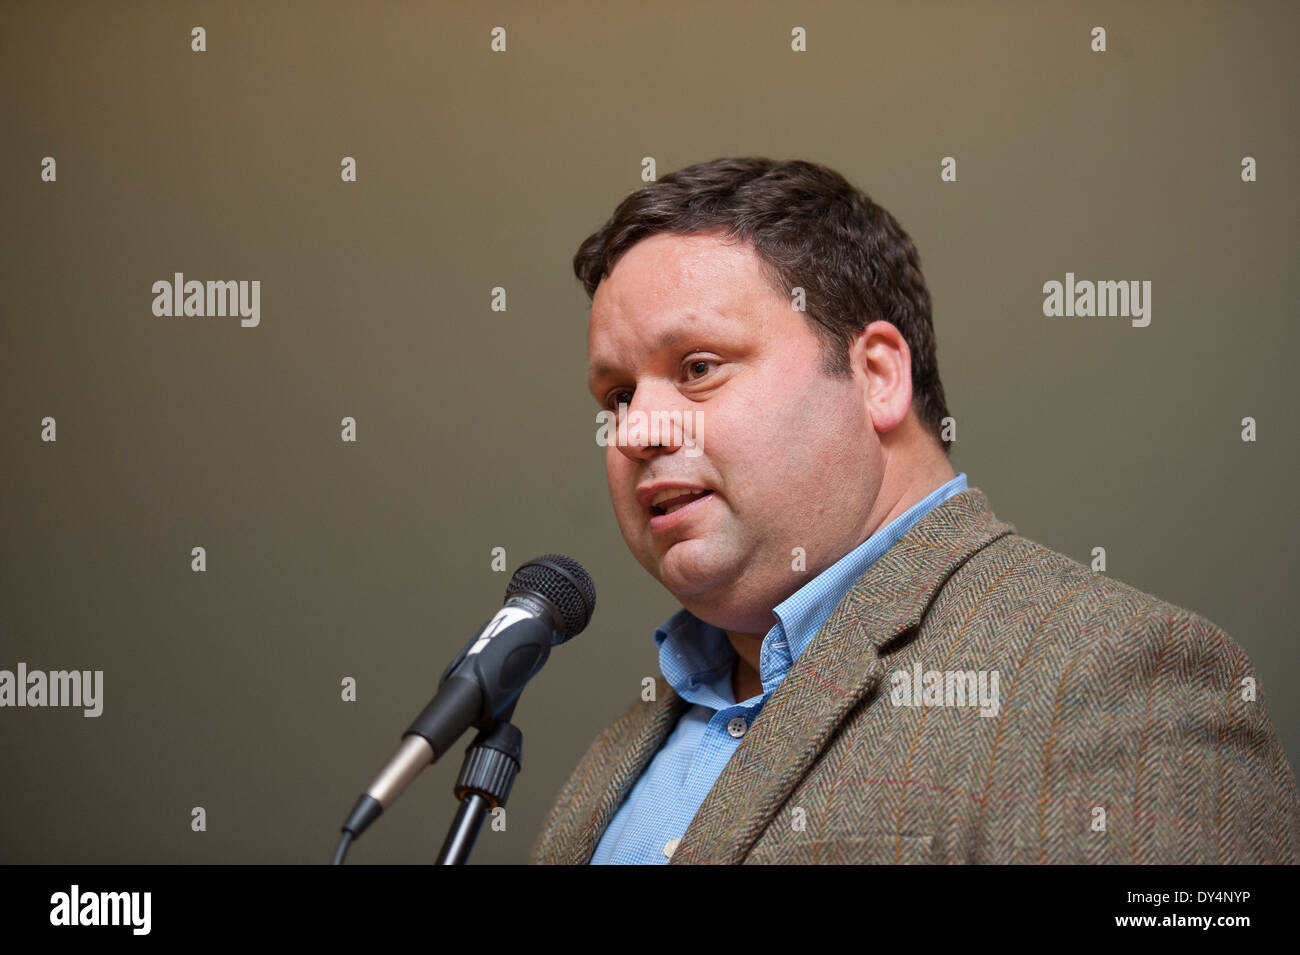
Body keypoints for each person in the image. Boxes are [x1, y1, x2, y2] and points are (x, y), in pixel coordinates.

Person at [529, 157, 1300, 864]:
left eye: (697, 367)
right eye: (618, 396)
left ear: (877, 376)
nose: (634, 431)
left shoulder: (1112, 677)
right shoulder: (620, 750)